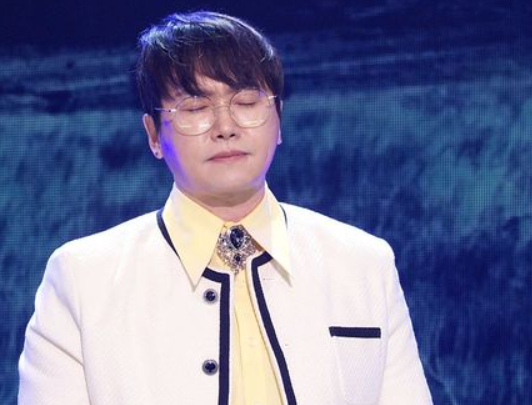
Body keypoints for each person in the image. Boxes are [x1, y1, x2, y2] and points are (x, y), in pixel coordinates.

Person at [18, 11, 433, 405]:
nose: (226, 127)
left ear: (278, 117)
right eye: (195, 108)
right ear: (154, 135)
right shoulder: (82, 280)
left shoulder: (364, 264)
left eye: (247, 102)